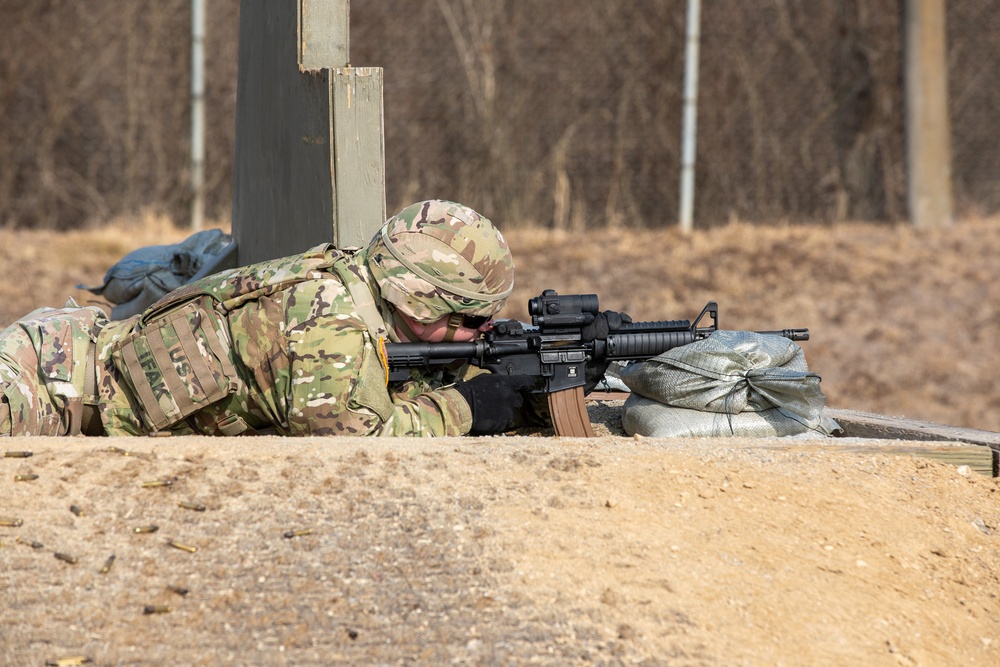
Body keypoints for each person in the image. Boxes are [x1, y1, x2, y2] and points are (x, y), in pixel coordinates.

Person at [0, 200, 537, 438]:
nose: (481, 331)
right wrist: (465, 407)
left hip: (73, 364)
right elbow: (356, 436)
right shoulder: (330, 319)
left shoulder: (365, 287)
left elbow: (388, 381)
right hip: (53, 382)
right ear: (418, 302)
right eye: (470, 320)